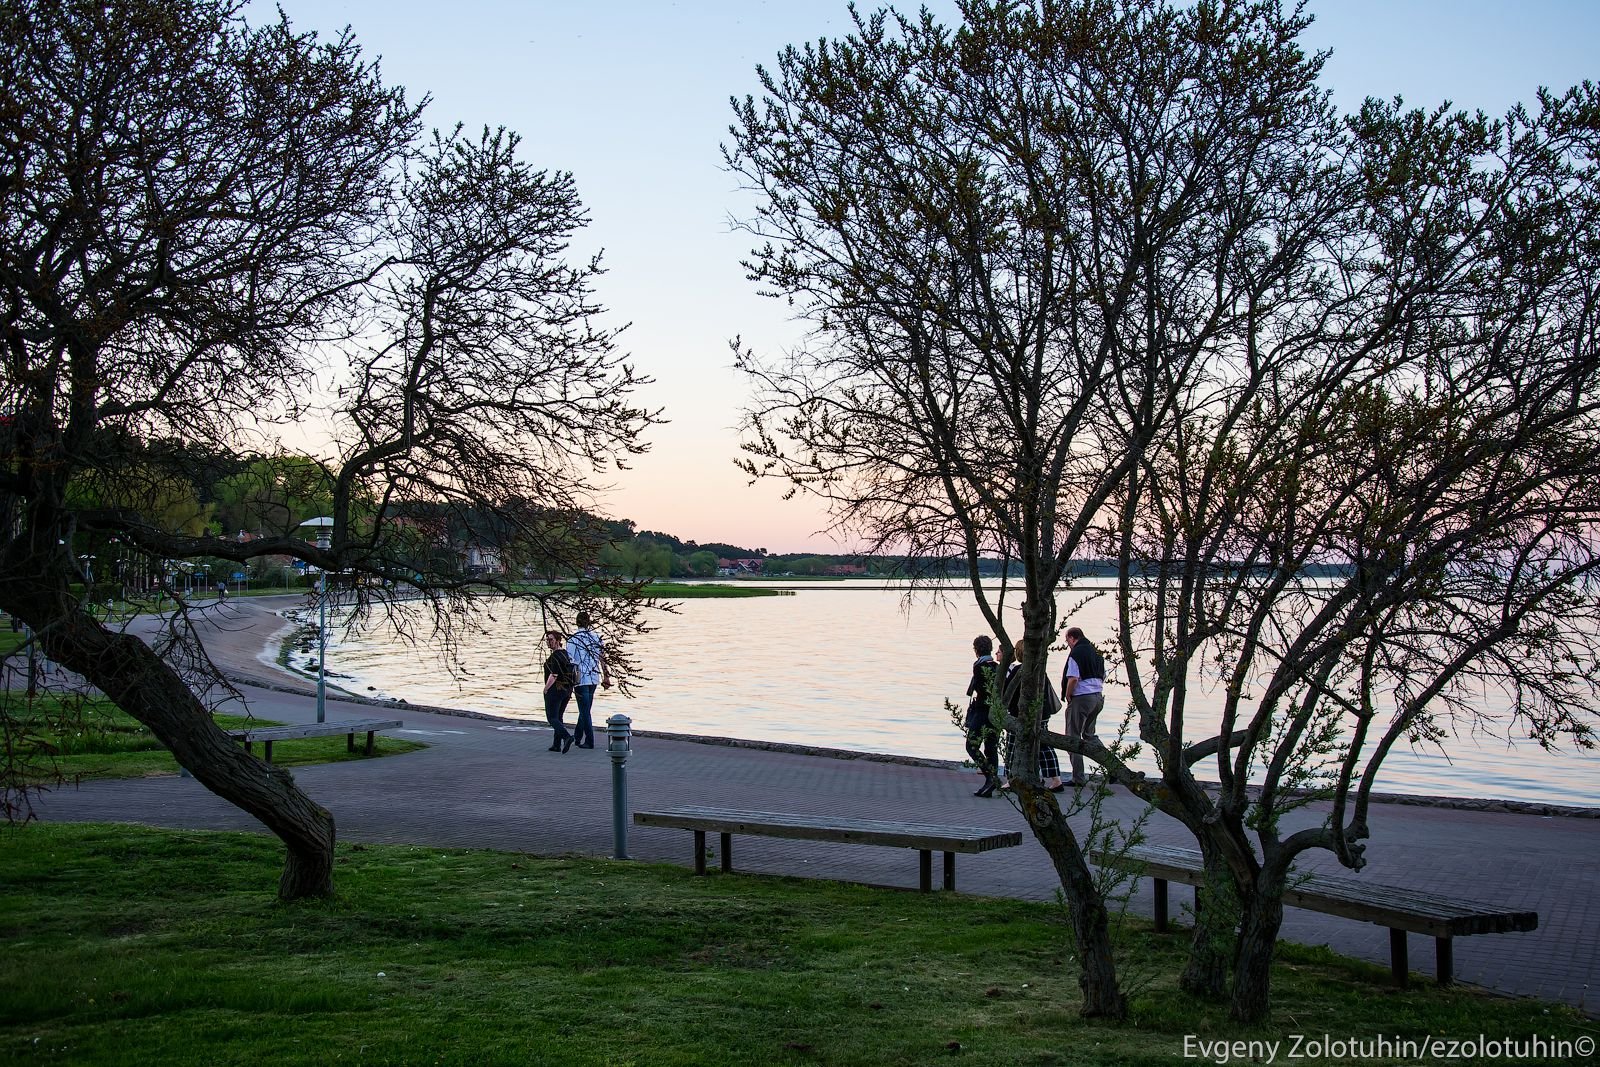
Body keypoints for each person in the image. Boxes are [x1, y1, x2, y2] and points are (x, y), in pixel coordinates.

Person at [1000, 637, 1066, 792]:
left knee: (1011, 745)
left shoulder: (1018, 671)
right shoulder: (1040, 670)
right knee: (1043, 745)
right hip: (1041, 713)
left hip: (1020, 715)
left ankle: (1011, 778)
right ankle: (1056, 779)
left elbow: (1008, 692)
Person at [1060, 626, 1106, 787]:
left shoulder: (1076, 653)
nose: (1068, 644)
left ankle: (1078, 777)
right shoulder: (1097, 654)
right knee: (1089, 735)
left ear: (1072, 638)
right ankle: (1112, 767)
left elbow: (1073, 678)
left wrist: (1067, 694)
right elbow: (1103, 676)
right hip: (1097, 698)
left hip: (1081, 698)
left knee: (1072, 737)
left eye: (1067, 641)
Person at [565, 611, 613, 749]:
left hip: (580, 678)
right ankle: (578, 736)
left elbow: (570, 660)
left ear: (576, 622)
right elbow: (602, 658)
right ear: (589, 622)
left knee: (585, 710)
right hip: (594, 677)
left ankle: (590, 740)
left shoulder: (574, 639)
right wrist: (606, 675)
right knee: (585, 708)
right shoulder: (596, 637)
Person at [963, 635, 1000, 797]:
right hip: (996, 712)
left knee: (971, 746)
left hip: (982, 710)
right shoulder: (998, 667)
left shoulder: (979, 666)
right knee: (991, 747)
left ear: (976, 650)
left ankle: (990, 777)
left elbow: (979, 688)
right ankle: (990, 781)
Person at [542, 629, 577, 753]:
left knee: (552, 718)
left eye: (551, 639)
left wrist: (546, 689)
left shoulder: (556, 656)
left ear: (558, 641)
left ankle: (567, 737)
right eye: (547, 640)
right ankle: (556, 745)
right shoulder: (565, 654)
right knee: (558, 717)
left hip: (556, 690)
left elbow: (554, 675)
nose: (548, 642)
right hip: (567, 690)